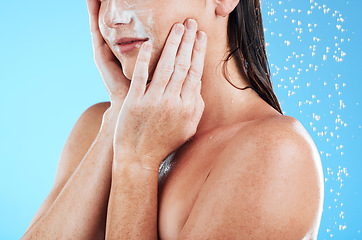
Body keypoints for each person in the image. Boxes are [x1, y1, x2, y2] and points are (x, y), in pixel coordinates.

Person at [22, 0, 324, 239]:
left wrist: (136, 163)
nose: (112, 16)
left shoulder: (277, 154)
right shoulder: (97, 128)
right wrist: (119, 116)